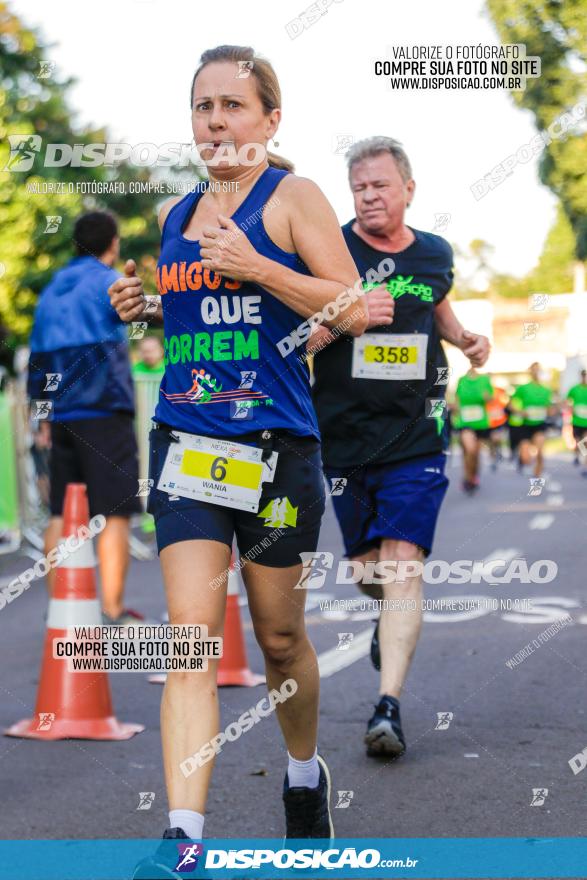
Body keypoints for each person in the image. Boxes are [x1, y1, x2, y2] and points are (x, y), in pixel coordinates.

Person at [108, 45, 368, 868]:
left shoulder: (293, 198)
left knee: (280, 637)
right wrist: (143, 306)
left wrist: (255, 263)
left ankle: (301, 775)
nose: (215, 122)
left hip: (275, 448)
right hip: (187, 441)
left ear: (268, 118)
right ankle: (183, 834)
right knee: (191, 636)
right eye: (201, 107)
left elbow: (355, 306)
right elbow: (200, 315)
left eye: (231, 106)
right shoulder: (174, 216)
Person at [308, 137, 490, 758]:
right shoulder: (330, 250)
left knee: (402, 564)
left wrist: (464, 337)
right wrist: (346, 316)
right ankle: (389, 621)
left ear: (409, 189)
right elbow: (298, 338)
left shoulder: (435, 253)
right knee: (368, 573)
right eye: (359, 186)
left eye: (381, 185)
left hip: (415, 433)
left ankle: (388, 707)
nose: (369, 195)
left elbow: (437, 302)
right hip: (344, 437)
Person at [27, 212, 144, 626]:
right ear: (112, 243)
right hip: (104, 410)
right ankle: (111, 610)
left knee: (61, 511)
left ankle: (62, 608)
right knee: (115, 510)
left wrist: (40, 415)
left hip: (61, 414)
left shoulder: (53, 289)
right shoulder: (108, 281)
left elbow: (37, 359)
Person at [509, 362, 555, 478]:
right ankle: (521, 459)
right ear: (530, 372)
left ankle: (537, 478)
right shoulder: (523, 389)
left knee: (540, 452)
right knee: (526, 459)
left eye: (538, 370)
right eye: (533, 370)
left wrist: (552, 411)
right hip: (525, 425)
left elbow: (549, 409)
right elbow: (510, 405)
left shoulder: (546, 390)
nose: (535, 372)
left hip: (539, 424)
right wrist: (520, 412)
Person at [454, 367, 494, 493]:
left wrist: (487, 397)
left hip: (481, 423)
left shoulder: (484, 379)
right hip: (465, 422)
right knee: (469, 450)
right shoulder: (462, 380)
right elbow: (457, 398)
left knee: (475, 454)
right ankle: (467, 477)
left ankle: (473, 476)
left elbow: (491, 398)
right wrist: (455, 407)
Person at [566, 369, 587, 474]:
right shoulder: (574, 389)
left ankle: (585, 464)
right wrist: (570, 407)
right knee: (579, 442)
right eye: (584, 376)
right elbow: (567, 401)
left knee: (585, 442)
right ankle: (577, 456)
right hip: (577, 421)